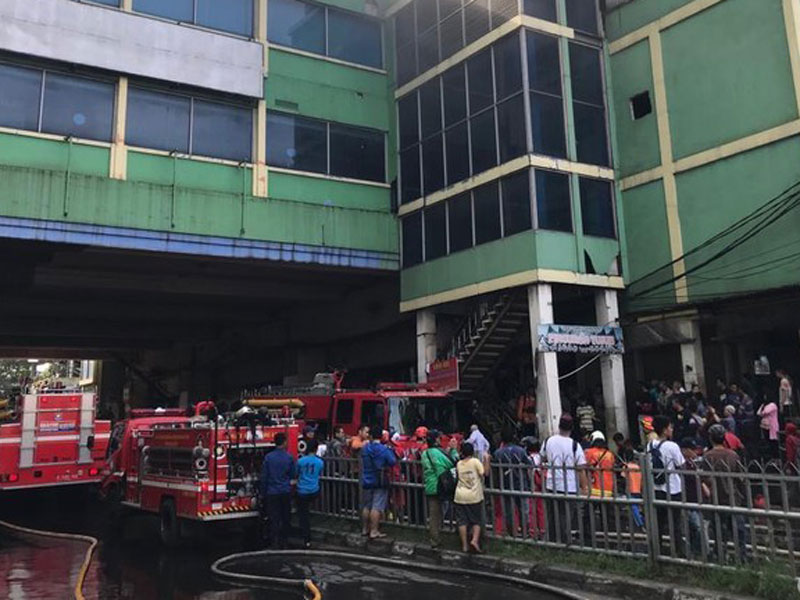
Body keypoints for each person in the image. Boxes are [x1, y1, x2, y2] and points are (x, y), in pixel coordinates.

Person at [700, 424, 748, 563]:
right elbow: (741, 478)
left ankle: (721, 557)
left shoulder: (707, 456)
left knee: (719, 532)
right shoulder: (733, 455)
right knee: (739, 532)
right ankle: (742, 558)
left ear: (710, 438)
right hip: (733, 498)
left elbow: (704, 478)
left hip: (716, 498)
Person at [541, 415, 589, 545]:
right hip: (570, 487)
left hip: (551, 484)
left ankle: (551, 542)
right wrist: (584, 487)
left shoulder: (548, 441)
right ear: (572, 428)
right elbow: (580, 469)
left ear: (559, 426)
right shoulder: (574, 445)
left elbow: (543, 459)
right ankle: (564, 543)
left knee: (551, 516)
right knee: (566, 517)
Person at [647, 415, 685, 554]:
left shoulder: (650, 445)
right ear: (664, 430)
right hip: (673, 488)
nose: (671, 429)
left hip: (656, 488)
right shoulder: (672, 446)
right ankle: (678, 551)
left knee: (658, 522)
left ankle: (657, 550)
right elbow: (681, 464)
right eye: (670, 427)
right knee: (675, 522)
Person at [421, 431, 458, 548]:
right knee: (449, 511)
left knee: (433, 515)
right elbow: (452, 462)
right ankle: (449, 535)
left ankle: (434, 539)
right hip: (442, 485)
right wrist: (453, 450)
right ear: (436, 440)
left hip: (430, 486)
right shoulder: (437, 453)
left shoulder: (425, 453)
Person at [360, 424, 397, 539]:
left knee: (367, 506)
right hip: (379, 480)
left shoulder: (365, 448)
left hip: (366, 479)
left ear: (370, 435)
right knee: (376, 506)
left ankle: (365, 529)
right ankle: (374, 531)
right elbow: (392, 461)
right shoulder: (384, 449)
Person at [260, 432, 296, 549]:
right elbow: (292, 474)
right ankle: (284, 542)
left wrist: (262, 493)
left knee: (273, 518)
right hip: (285, 491)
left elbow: (264, 477)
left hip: (272, 492)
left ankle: (274, 543)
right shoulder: (289, 457)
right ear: (285, 442)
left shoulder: (268, 458)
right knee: (285, 517)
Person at [493, 428, 532, 537]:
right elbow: (529, 465)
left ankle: (512, 534)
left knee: (508, 511)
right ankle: (525, 533)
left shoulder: (498, 453)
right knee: (524, 510)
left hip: (505, 485)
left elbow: (495, 470)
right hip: (521, 484)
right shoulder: (521, 451)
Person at [454, 442, 487, 553]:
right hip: (474, 496)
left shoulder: (459, 464)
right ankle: (474, 540)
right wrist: (487, 460)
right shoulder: (475, 462)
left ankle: (464, 545)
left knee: (462, 521)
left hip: (459, 495)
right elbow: (484, 473)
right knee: (476, 520)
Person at [296, 439, 324, 548]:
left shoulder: (301, 461)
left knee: (303, 515)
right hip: (314, 490)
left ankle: (306, 538)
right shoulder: (320, 462)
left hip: (302, 490)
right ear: (316, 449)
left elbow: (296, 473)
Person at [584, 431, 616, 497]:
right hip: (608, 489)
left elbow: (585, 468)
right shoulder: (610, 454)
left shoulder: (589, 452)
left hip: (594, 488)